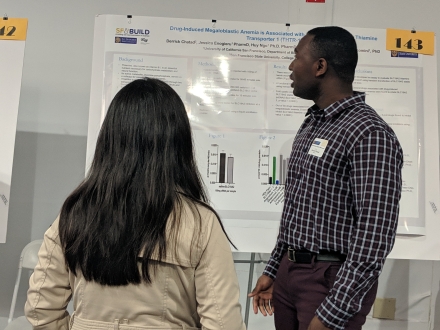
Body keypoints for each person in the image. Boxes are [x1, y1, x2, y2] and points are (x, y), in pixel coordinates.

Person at [25, 78, 246, 330]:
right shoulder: (200, 223)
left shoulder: (75, 213)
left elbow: (41, 310)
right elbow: (223, 323)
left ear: (110, 138)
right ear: (178, 143)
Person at [249, 26, 403, 330]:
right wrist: (275, 266)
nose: (291, 67)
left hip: (329, 282)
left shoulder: (370, 134)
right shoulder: (312, 125)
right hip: (289, 275)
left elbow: (374, 235)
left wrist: (334, 311)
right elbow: (297, 209)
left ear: (320, 66)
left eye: (297, 57)